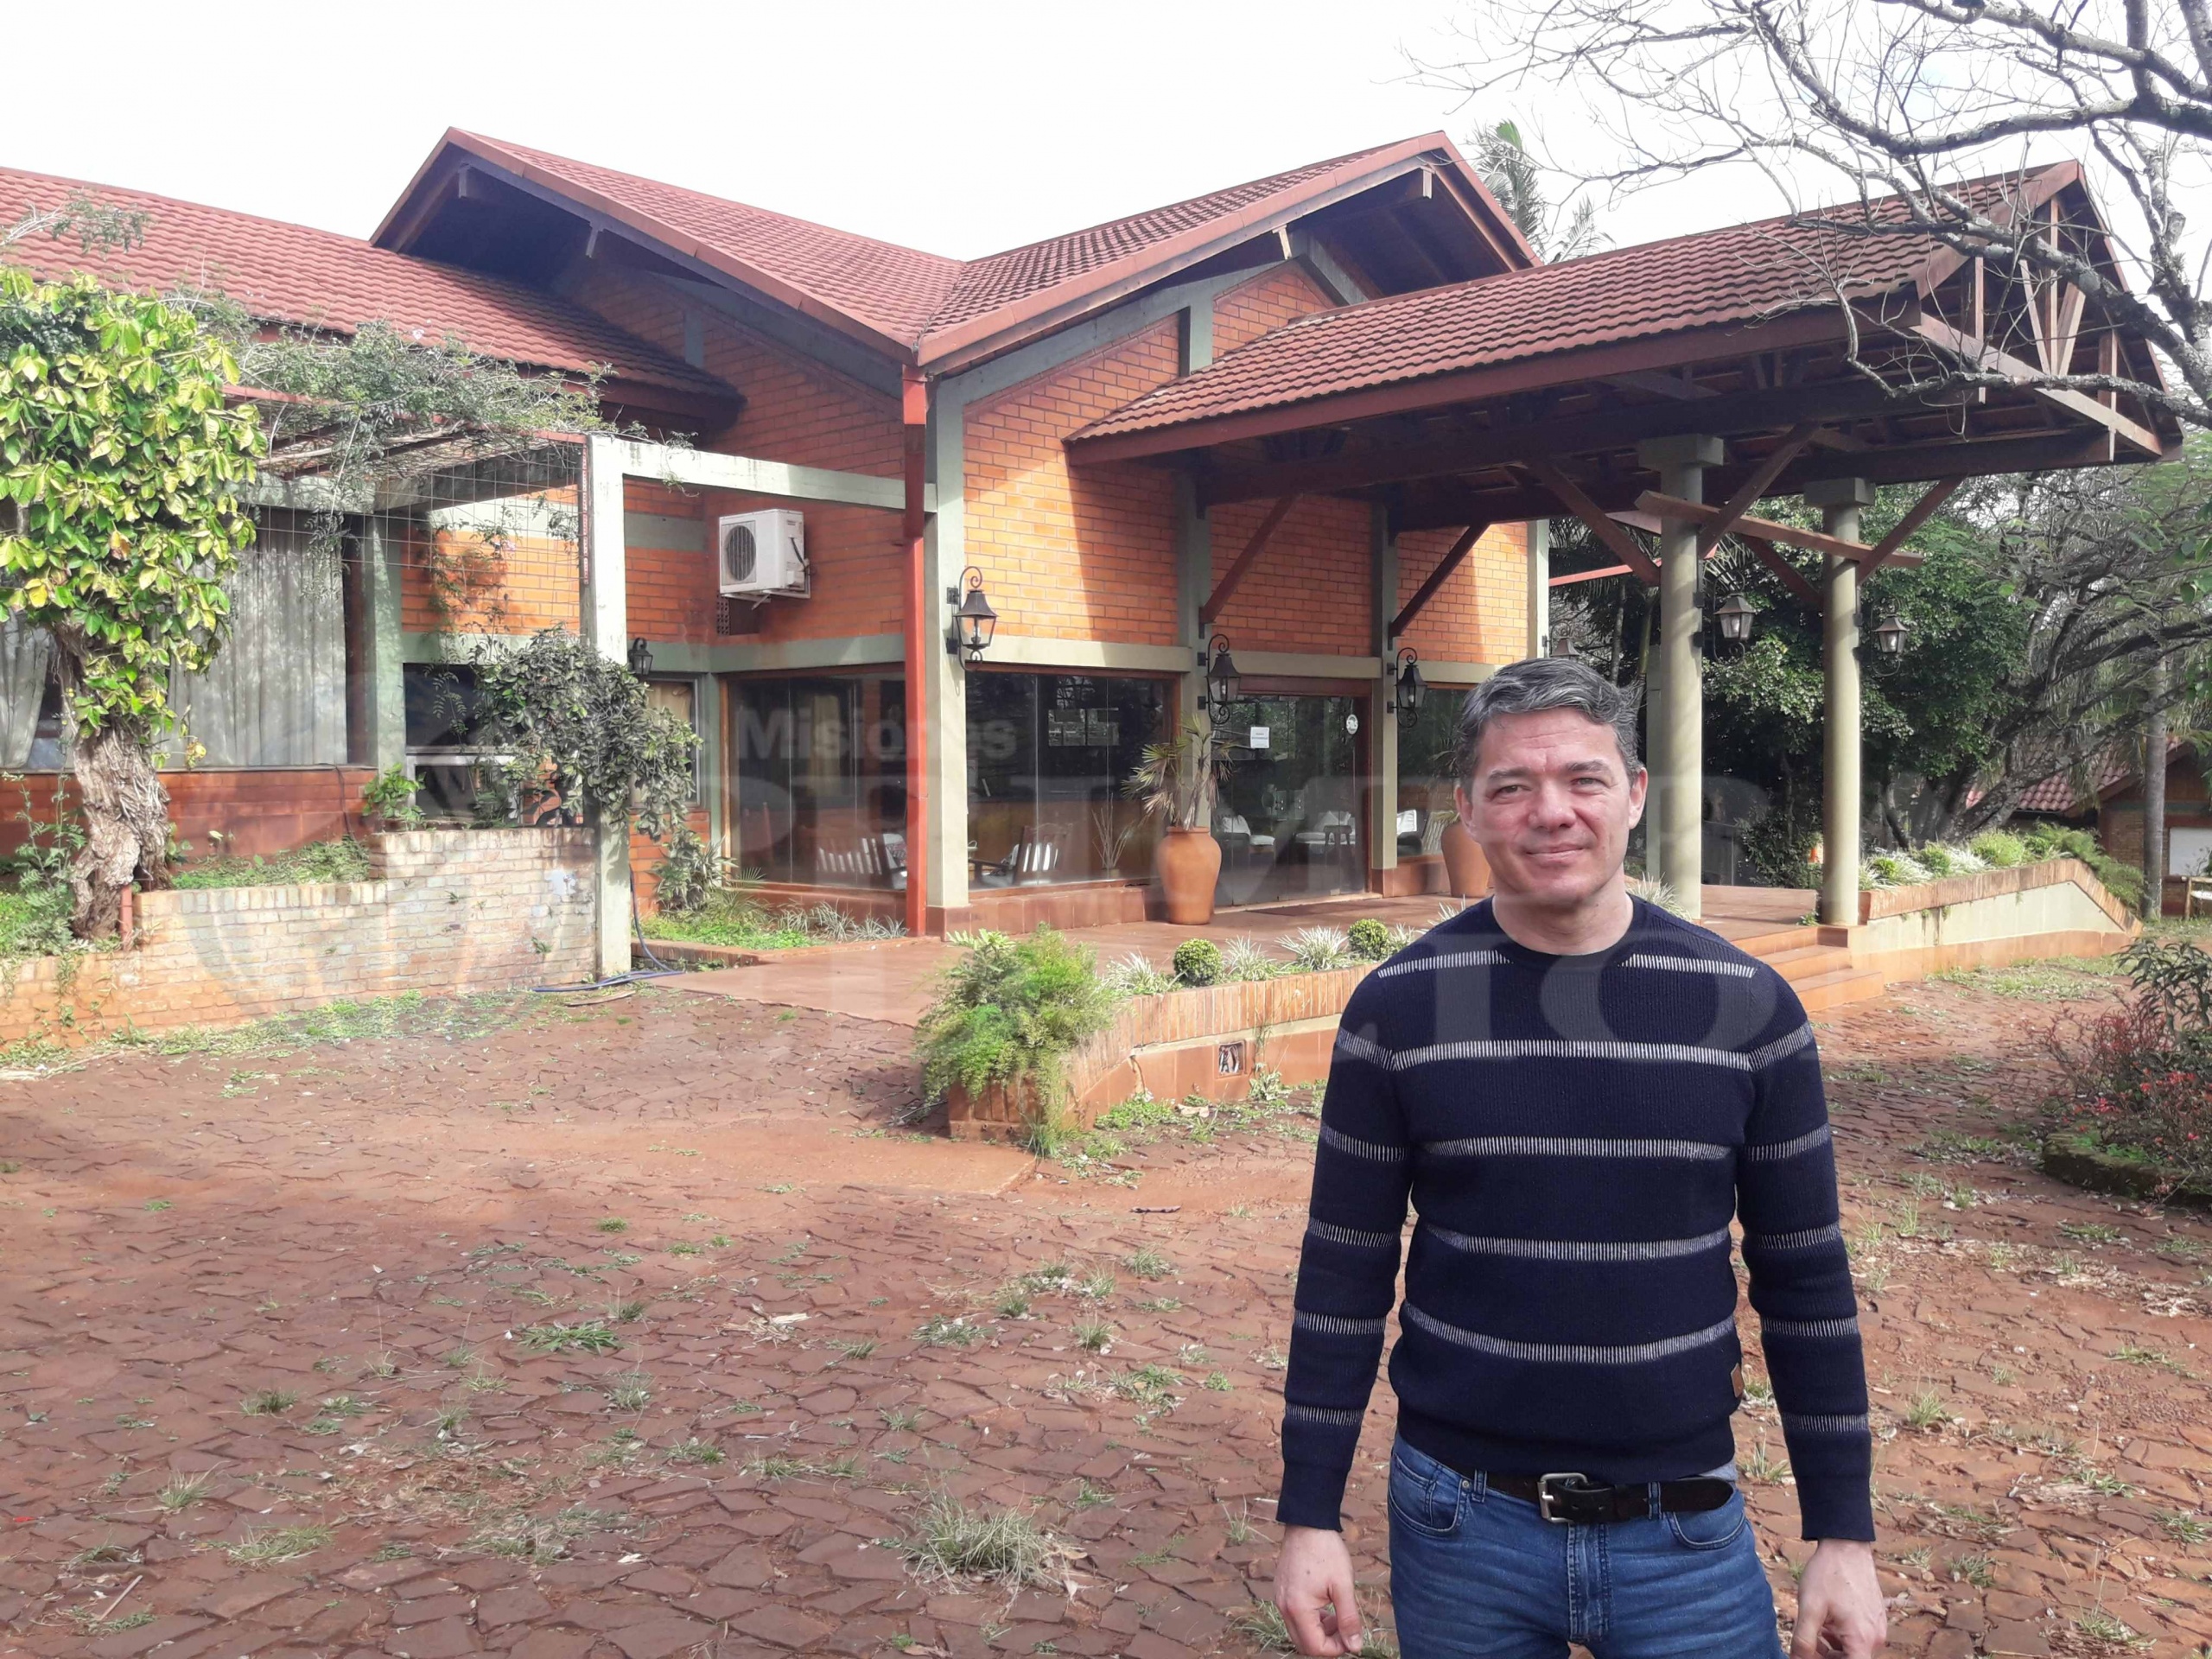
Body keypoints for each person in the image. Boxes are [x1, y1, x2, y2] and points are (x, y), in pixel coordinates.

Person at [1271, 658, 1884, 1659]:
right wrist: (1309, 1514)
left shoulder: (1747, 1008)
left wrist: (1842, 1534)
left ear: (1633, 794)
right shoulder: (1399, 1008)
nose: (1550, 812)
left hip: (1683, 1535)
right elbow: (1343, 1268)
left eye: (1583, 779)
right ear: (1468, 811)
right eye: (1512, 786)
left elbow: (1805, 1276)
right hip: (1459, 1527)